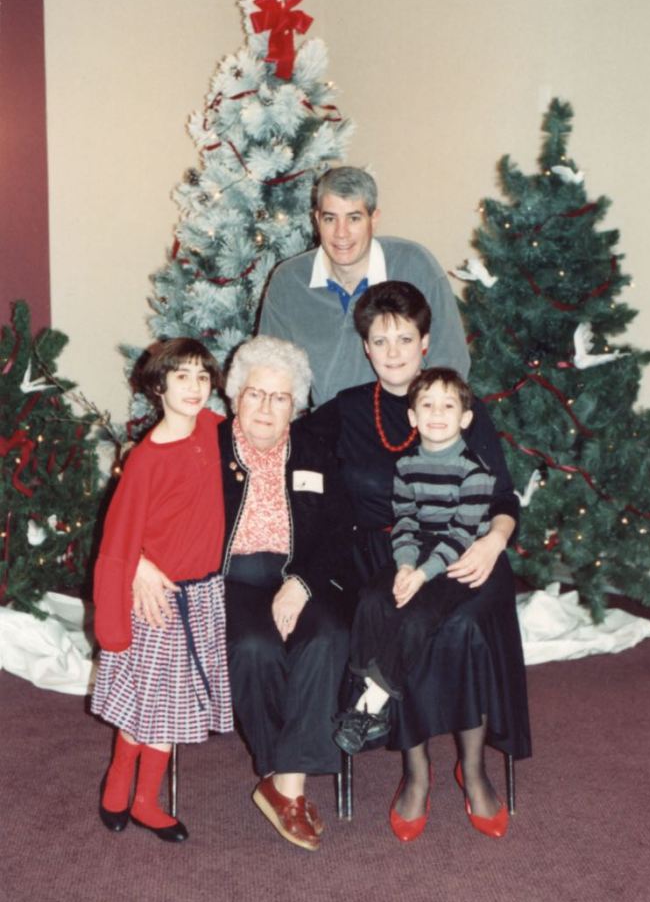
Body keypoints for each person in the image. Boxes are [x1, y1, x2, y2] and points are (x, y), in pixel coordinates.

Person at [303, 281, 530, 843]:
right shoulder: (348, 410)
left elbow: (502, 496)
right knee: (394, 613)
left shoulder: (459, 403)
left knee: (463, 626)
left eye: (405, 338)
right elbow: (283, 438)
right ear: (366, 348)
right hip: (384, 554)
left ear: (425, 342)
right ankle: (417, 772)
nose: (394, 351)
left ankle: (472, 768)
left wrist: (494, 542)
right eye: (380, 340)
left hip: (468, 549)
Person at [134, 336, 351, 852]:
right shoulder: (203, 446)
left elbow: (340, 533)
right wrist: (139, 560)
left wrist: (301, 584)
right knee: (253, 647)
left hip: (297, 577)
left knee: (329, 636)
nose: (266, 408)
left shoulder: (315, 452)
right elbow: (146, 497)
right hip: (225, 579)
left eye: (280, 398)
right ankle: (283, 776)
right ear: (234, 396)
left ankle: (285, 783)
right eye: (256, 394)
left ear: (295, 405)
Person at [92, 338, 233, 843]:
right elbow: (118, 535)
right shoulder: (146, 460)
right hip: (158, 600)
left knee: (173, 707)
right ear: (159, 386)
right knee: (147, 703)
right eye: (182, 377)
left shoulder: (217, 430)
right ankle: (118, 781)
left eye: (202, 376)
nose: (195, 387)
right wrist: (137, 566)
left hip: (203, 595)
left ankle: (147, 801)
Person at [333, 368, 495, 747]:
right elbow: (405, 521)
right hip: (416, 550)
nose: (436, 414)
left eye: (448, 406)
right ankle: (371, 697)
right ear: (413, 416)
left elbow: (461, 536)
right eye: (427, 405)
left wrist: (422, 575)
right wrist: (405, 565)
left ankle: (369, 705)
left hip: (458, 558)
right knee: (372, 599)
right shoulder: (406, 467)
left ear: (465, 418)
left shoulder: (475, 472)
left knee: (417, 616)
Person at [257, 166, 470, 405]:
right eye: (330, 219)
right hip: (329, 422)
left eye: (354, 218)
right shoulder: (289, 281)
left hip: (407, 418)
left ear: (374, 219)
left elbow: (450, 362)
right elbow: (270, 371)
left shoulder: (415, 265)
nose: (341, 233)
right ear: (317, 220)